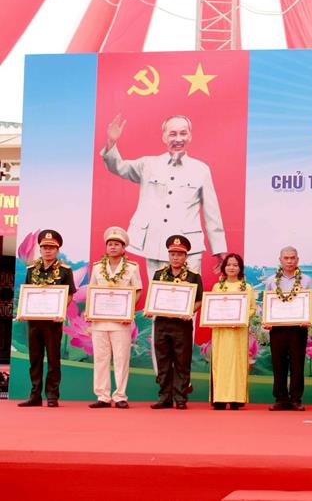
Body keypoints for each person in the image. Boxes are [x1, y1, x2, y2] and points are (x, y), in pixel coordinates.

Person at [100, 114, 227, 278]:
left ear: (190, 136)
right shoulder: (148, 164)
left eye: (183, 133)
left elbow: (212, 212)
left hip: (189, 248)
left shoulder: (201, 169)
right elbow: (117, 166)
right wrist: (111, 142)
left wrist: (219, 248)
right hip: (156, 245)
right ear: (164, 137)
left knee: (190, 291)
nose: (178, 139)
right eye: (173, 134)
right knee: (157, 291)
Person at [18, 230, 77, 408]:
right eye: (44, 247)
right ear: (40, 249)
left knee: (53, 359)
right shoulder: (31, 270)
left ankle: (52, 395)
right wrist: (23, 310)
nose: (48, 250)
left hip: (53, 322)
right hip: (34, 321)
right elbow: (27, 293)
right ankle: (35, 395)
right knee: (34, 359)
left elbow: (69, 294)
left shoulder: (65, 271)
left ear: (57, 250)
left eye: (51, 247)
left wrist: (61, 310)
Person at [86, 227, 143, 409]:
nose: (113, 247)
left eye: (117, 244)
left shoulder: (132, 267)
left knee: (121, 359)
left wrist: (128, 310)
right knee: (101, 359)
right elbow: (91, 291)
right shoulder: (97, 267)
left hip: (121, 322)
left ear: (123, 247)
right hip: (100, 322)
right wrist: (90, 312)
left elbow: (138, 291)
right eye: (110, 244)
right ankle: (102, 396)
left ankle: (120, 396)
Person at [148, 235, 203, 410]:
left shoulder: (194, 276)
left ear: (185, 256)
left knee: (182, 361)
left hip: (182, 325)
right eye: (172, 254)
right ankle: (164, 397)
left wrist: (190, 312)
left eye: (179, 254)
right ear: (169, 255)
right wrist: (150, 309)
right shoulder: (159, 275)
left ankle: (180, 397)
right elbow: (153, 297)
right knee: (163, 361)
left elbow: (199, 300)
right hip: (162, 323)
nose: (175, 258)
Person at [265, 246, 312, 411]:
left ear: (297, 260)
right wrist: (267, 320)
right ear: (280, 260)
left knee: (297, 364)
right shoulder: (271, 280)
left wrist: (307, 317)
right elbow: (266, 304)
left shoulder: (306, 280)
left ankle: (295, 399)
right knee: (278, 363)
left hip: (298, 328)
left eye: (292, 258)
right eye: (286, 258)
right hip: (277, 329)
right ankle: (280, 398)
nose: (289, 261)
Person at [209, 253, 255, 410]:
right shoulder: (217, 287)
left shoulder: (247, 287)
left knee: (237, 363)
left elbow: (252, 309)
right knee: (221, 362)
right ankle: (219, 399)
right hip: (221, 332)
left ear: (240, 268)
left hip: (238, 332)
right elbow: (212, 307)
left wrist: (241, 319)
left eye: (235, 265)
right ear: (224, 267)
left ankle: (236, 398)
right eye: (229, 264)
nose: (232, 268)